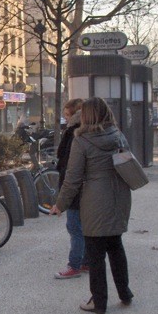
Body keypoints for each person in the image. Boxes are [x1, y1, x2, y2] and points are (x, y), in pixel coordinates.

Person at [49, 97, 133, 314]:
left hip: (95, 201)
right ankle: (125, 293)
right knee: (116, 247)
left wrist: (60, 204)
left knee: (95, 255)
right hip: (118, 197)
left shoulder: (82, 140)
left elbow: (73, 178)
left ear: (86, 116)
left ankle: (99, 301)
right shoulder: (117, 135)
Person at [53, 98, 88, 279]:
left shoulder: (74, 132)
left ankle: (75, 265)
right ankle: (86, 261)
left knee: (74, 227)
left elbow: (69, 167)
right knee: (84, 227)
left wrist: (61, 201)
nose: (65, 119)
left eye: (67, 115)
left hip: (76, 188)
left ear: (75, 114)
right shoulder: (87, 130)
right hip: (87, 188)